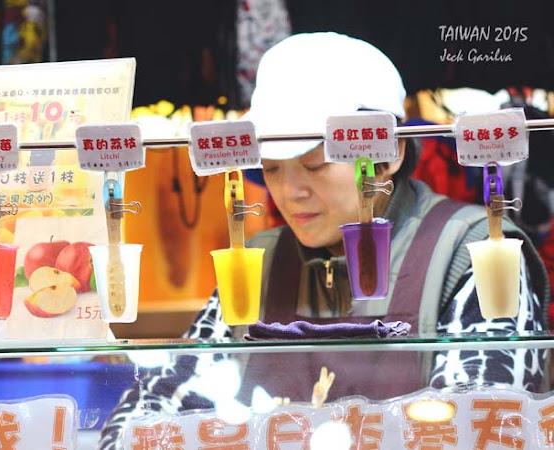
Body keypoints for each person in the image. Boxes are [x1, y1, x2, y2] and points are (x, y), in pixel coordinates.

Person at [99, 32, 549, 448]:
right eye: (271, 169)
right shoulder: (256, 262)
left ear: (388, 154)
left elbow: (483, 423)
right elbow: (146, 417)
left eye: (313, 165)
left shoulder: (472, 253)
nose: (290, 192)